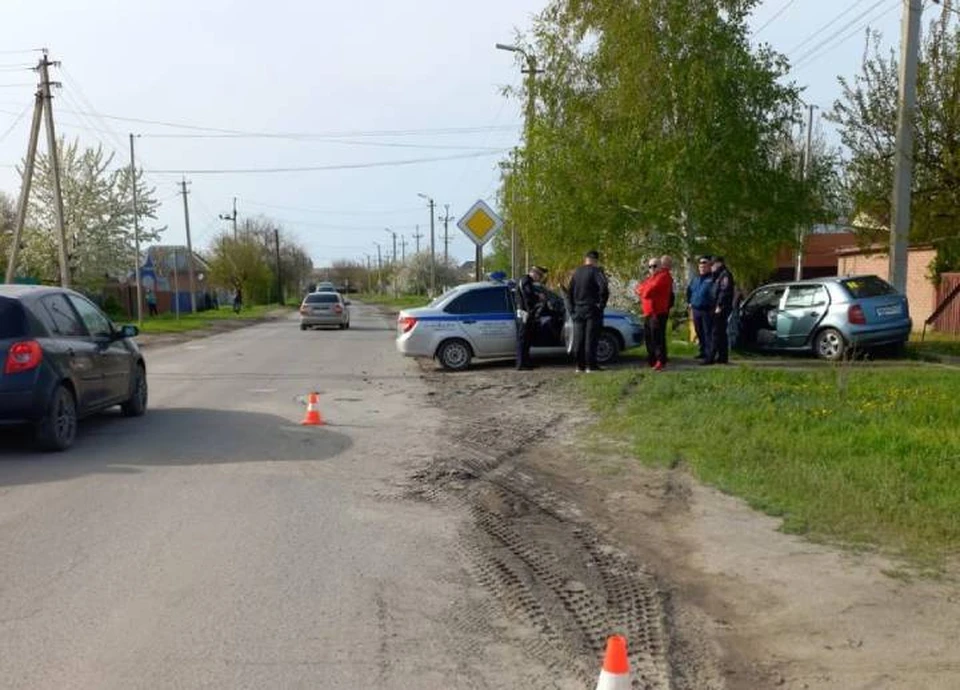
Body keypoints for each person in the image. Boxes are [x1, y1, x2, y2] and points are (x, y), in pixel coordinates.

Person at [568, 250, 609, 373]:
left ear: (585, 259)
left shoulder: (576, 272)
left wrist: (572, 309)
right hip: (591, 308)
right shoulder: (596, 271)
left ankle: (579, 366)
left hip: (578, 309)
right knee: (591, 338)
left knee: (578, 339)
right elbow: (604, 288)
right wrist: (601, 304)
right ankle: (590, 366)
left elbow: (569, 291)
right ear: (596, 260)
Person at [635, 255, 673, 370]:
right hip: (648, 312)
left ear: (660, 266)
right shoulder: (651, 278)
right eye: (650, 266)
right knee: (649, 337)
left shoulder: (664, 276)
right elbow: (638, 288)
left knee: (657, 337)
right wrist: (643, 290)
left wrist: (643, 290)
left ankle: (660, 360)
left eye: (654, 266)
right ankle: (652, 359)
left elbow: (647, 292)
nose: (652, 268)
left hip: (658, 312)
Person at [703, 256, 735, 365]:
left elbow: (724, 292)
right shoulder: (718, 275)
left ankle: (710, 357)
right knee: (721, 333)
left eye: (713, 264)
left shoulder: (725, 275)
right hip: (717, 306)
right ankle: (722, 357)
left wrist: (719, 305)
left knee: (716, 332)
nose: (712, 267)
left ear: (719, 263)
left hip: (721, 307)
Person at [515, 265, 548, 370]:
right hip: (524, 313)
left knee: (527, 339)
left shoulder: (527, 281)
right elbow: (528, 294)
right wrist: (539, 297)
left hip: (527, 313)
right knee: (523, 339)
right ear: (535, 273)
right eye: (540, 275)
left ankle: (526, 362)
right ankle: (521, 364)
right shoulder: (525, 280)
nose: (540, 278)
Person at [686, 255, 715, 360]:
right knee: (699, 332)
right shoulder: (695, 279)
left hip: (707, 310)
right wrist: (689, 302)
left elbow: (716, 294)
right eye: (700, 264)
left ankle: (709, 355)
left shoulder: (712, 279)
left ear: (709, 266)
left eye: (704, 264)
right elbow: (689, 291)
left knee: (708, 332)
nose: (702, 266)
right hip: (696, 309)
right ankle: (702, 351)